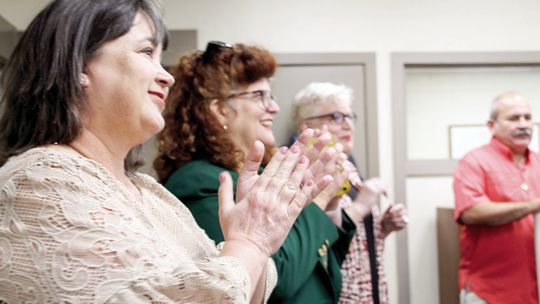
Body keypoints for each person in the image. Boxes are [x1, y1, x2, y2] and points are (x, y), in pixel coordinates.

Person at [0, 1, 335, 303]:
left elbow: (237, 286)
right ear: (79, 67)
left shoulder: (153, 194)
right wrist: (251, 242)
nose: (166, 77)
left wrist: (251, 237)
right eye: (147, 52)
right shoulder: (39, 182)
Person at [154, 42, 382, 303]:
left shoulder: (265, 173)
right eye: (259, 96)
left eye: (270, 96)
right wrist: (317, 202)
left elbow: (319, 264)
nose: (274, 107)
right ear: (219, 110)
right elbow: (276, 281)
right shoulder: (203, 181)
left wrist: (329, 209)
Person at [292, 82, 408, 304]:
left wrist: (384, 226)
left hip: (368, 290)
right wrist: (362, 205)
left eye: (349, 116)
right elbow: (315, 240)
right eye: (336, 117)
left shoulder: (348, 166)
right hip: (338, 295)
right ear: (307, 125)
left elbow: (354, 235)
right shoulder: (303, 170)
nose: (348, 125)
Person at [453, 92, 540, 304]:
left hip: (533, 292)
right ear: (491, 125)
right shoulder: (474, 162)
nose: (524, 124)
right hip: (489, 292)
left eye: (528, 118)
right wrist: (534, 205)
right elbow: (471, 212)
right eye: (514, 118)